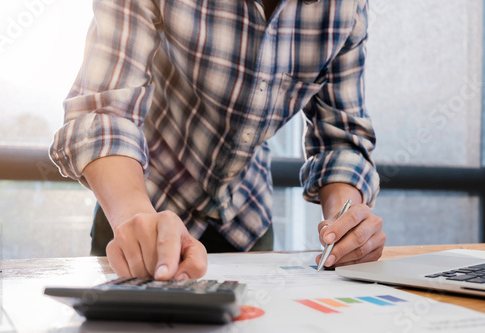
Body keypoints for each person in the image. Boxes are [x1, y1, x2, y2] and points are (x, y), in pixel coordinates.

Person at [50, 0, 385, 281]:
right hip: (137, 206)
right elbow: (105, 110)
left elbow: (340, 138)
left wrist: (348, 221)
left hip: (246, 217)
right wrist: (135, 215)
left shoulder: (347, 8)